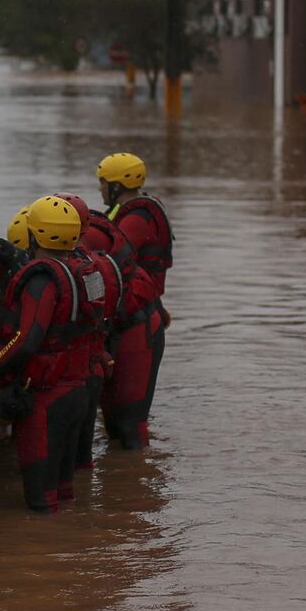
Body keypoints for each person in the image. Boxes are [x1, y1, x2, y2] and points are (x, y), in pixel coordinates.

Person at [0, 196, 95, 513]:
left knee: (41, 505)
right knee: (66, 494)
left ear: (35, 235)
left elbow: (25, 341)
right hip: (79, 390)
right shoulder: (86, 270)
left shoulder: (41, 280)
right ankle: (79, 555)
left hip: (46, 399)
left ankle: (42, 559)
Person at [96, 152, 173, 449]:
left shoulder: (137, 218)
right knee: (115, 415)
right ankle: (124, 478)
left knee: (129, 418)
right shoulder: (129, 211)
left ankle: (137, 475)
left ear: (117, 185)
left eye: (103, 184)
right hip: (138, 308)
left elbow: (113, 257)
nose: (100, 190)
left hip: (139, 314)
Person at [57, 193, 125, 485]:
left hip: (68, 378)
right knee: (82, 463)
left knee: (61, 469)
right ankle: (85, 515)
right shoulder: (96, 265)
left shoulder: (58, 273)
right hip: (91, 371)